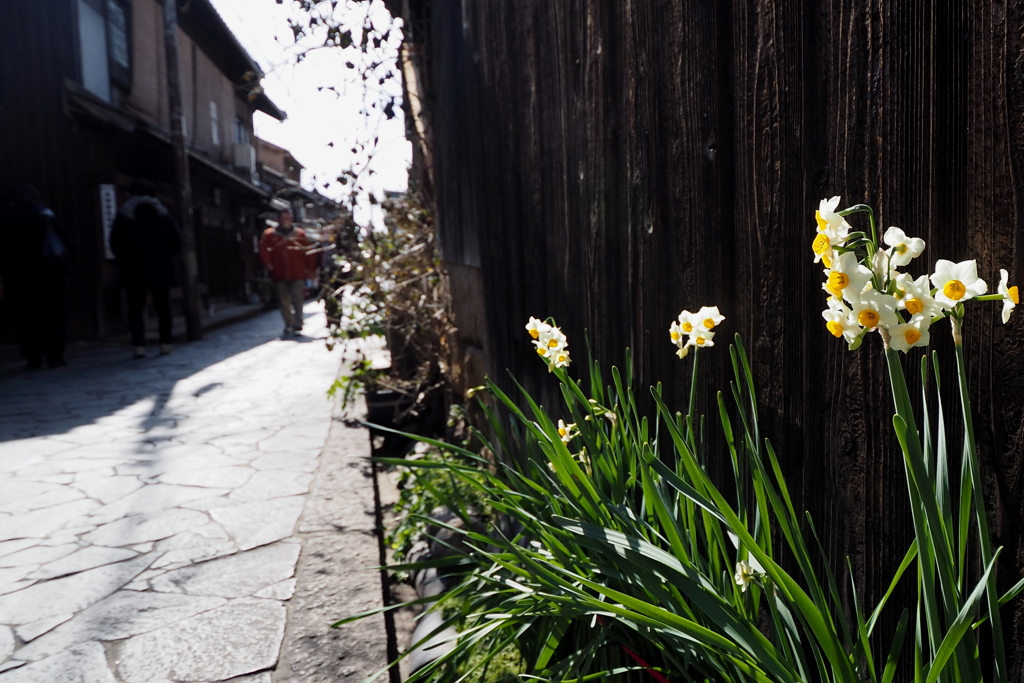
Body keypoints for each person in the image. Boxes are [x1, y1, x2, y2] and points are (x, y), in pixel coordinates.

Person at [0, 185, 73, 369]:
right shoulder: (45, 215)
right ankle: (55, 356)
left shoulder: (6, 218)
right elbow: (66, 243)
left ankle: (33, 357)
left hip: (19, 274)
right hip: (51, 272)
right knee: (55, 314)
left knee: (26, 316)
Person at [109, 180, 181, 358]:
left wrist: (125, 258)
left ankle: (139, 346)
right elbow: (177, 242)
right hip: (160, 267)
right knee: (163, 307)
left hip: (133, 268)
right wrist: (163, 256)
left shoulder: (124, 215)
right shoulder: (165, 215)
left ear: (133, 194)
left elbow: (114, 242)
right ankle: (166, 343)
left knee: (135, 309)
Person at [258, 209, 316, 335]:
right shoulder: (269, 235)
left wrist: (310, 270)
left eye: (288, 218)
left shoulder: (300, 234)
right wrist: (268, 264)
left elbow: (308, 253)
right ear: (278, 219)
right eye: (284, 218)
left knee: (297, 300)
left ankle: (298, 323)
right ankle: (288, 324)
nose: (286, 221)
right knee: (284, 301)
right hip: (279, 272)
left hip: (297, 272)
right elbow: (264, 251)